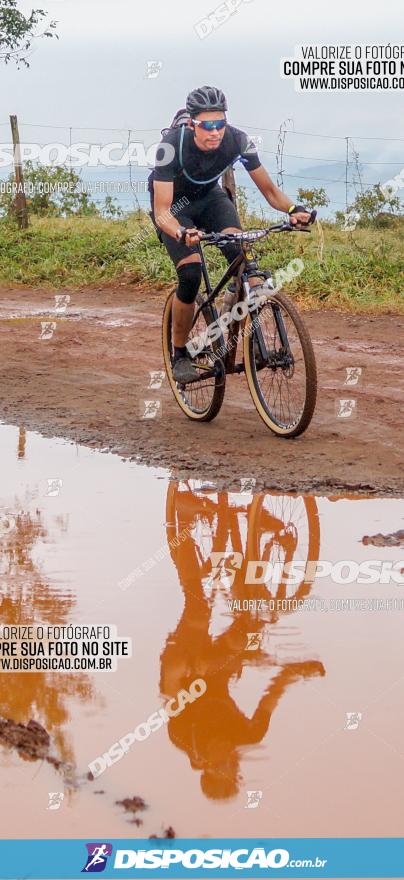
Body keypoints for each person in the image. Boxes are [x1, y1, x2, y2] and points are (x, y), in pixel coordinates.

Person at [149, 85, 314, 384]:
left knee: (242, 252)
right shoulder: (170, 145)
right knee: (190, 273)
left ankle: (235, 303)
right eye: (207, 125)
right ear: (192, 123)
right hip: (175, 207)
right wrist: (181, 231)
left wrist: (293, 208)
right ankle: (180, 354)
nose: (215, 132)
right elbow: (162, 211)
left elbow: (270, 191)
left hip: (211, 200)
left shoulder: (238, 140)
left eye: (220, 124)